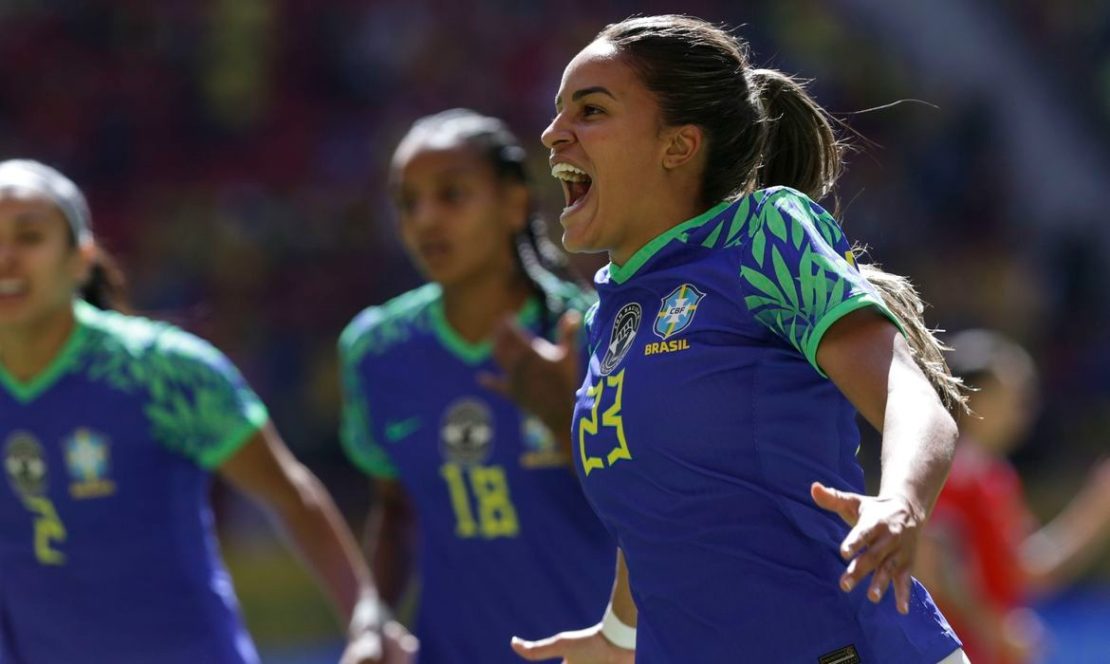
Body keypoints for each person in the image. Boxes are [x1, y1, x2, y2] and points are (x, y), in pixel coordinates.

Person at [507, 15, 971, 663]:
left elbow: (907, 391)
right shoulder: (605, 315)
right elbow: (658, 506)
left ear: (678, 145)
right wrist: (617, 635)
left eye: (590, 110)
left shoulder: (761, 234)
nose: (554, 134)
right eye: (559, 112)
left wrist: (900, 502)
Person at [0, 159, 416, 664]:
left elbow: (291, 495)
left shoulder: (161, 373)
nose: (6, 258)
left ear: (81, 257)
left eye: (29, 236)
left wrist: (365, 618)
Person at [338, 109, 614, 663]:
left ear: (515, 204)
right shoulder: (375, 350)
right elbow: (394, 509)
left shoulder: (597, 335)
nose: (425, 220)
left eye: (452, 195)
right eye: (407, 202)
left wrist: (565, 420)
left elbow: (654, 512)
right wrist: (374, 616)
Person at [916, 329, 1110, 664]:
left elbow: (1023, 570)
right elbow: (931, 560)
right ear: (974, 398)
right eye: (1014, 397)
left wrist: (1098, 504)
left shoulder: (989, 474)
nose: (1025, 411)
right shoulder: (956, 470)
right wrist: (995, 629)